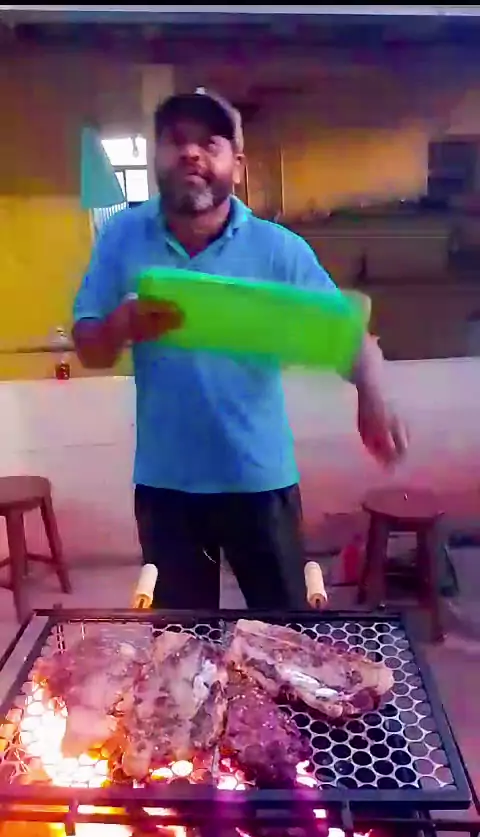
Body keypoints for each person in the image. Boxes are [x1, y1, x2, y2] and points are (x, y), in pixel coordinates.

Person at [73, 90, 408, 611]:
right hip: (167, 486)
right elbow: (89, 347)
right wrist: (121, 325)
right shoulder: (121, 238)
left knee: (287, 634)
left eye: (210, 143)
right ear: (157, 156)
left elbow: (347, 335)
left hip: (260, 479)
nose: (191, 153)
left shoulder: (278, 249)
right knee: (181, 643)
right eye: (176, 141)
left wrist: (373, 396)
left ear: (238, 164)